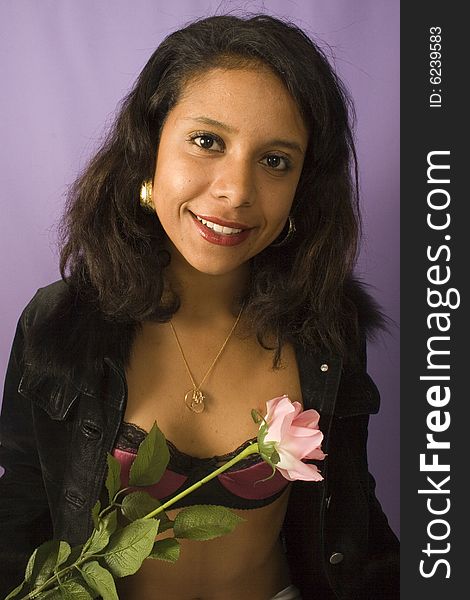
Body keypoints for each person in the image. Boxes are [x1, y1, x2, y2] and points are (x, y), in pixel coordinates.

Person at [0, 13, 399, 600]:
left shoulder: (325, 329)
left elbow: (352, 513)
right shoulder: (58, 324)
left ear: (301, 187)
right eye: (207, 141)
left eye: (274, 161)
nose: (236, 191)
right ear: (149, 149)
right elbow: (21, 510)